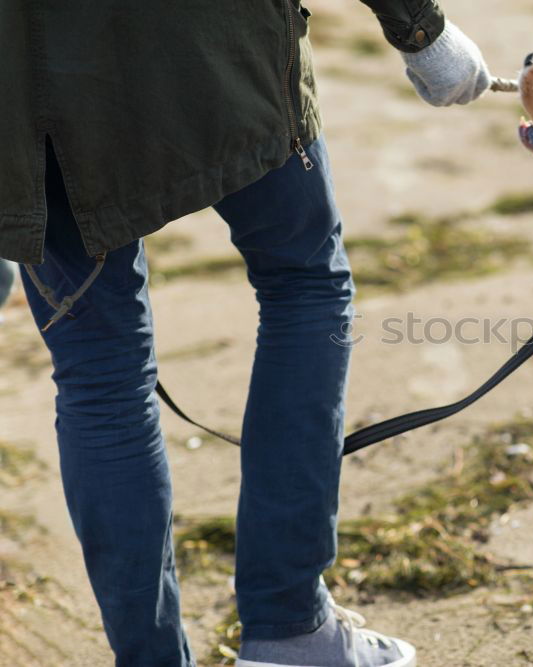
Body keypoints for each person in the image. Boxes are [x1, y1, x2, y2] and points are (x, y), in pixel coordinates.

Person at [0, 2, 491, 666]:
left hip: (28, 82)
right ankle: (290, 624)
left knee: (99, 373)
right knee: (303, 282)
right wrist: (420, 30)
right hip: (214, 37)